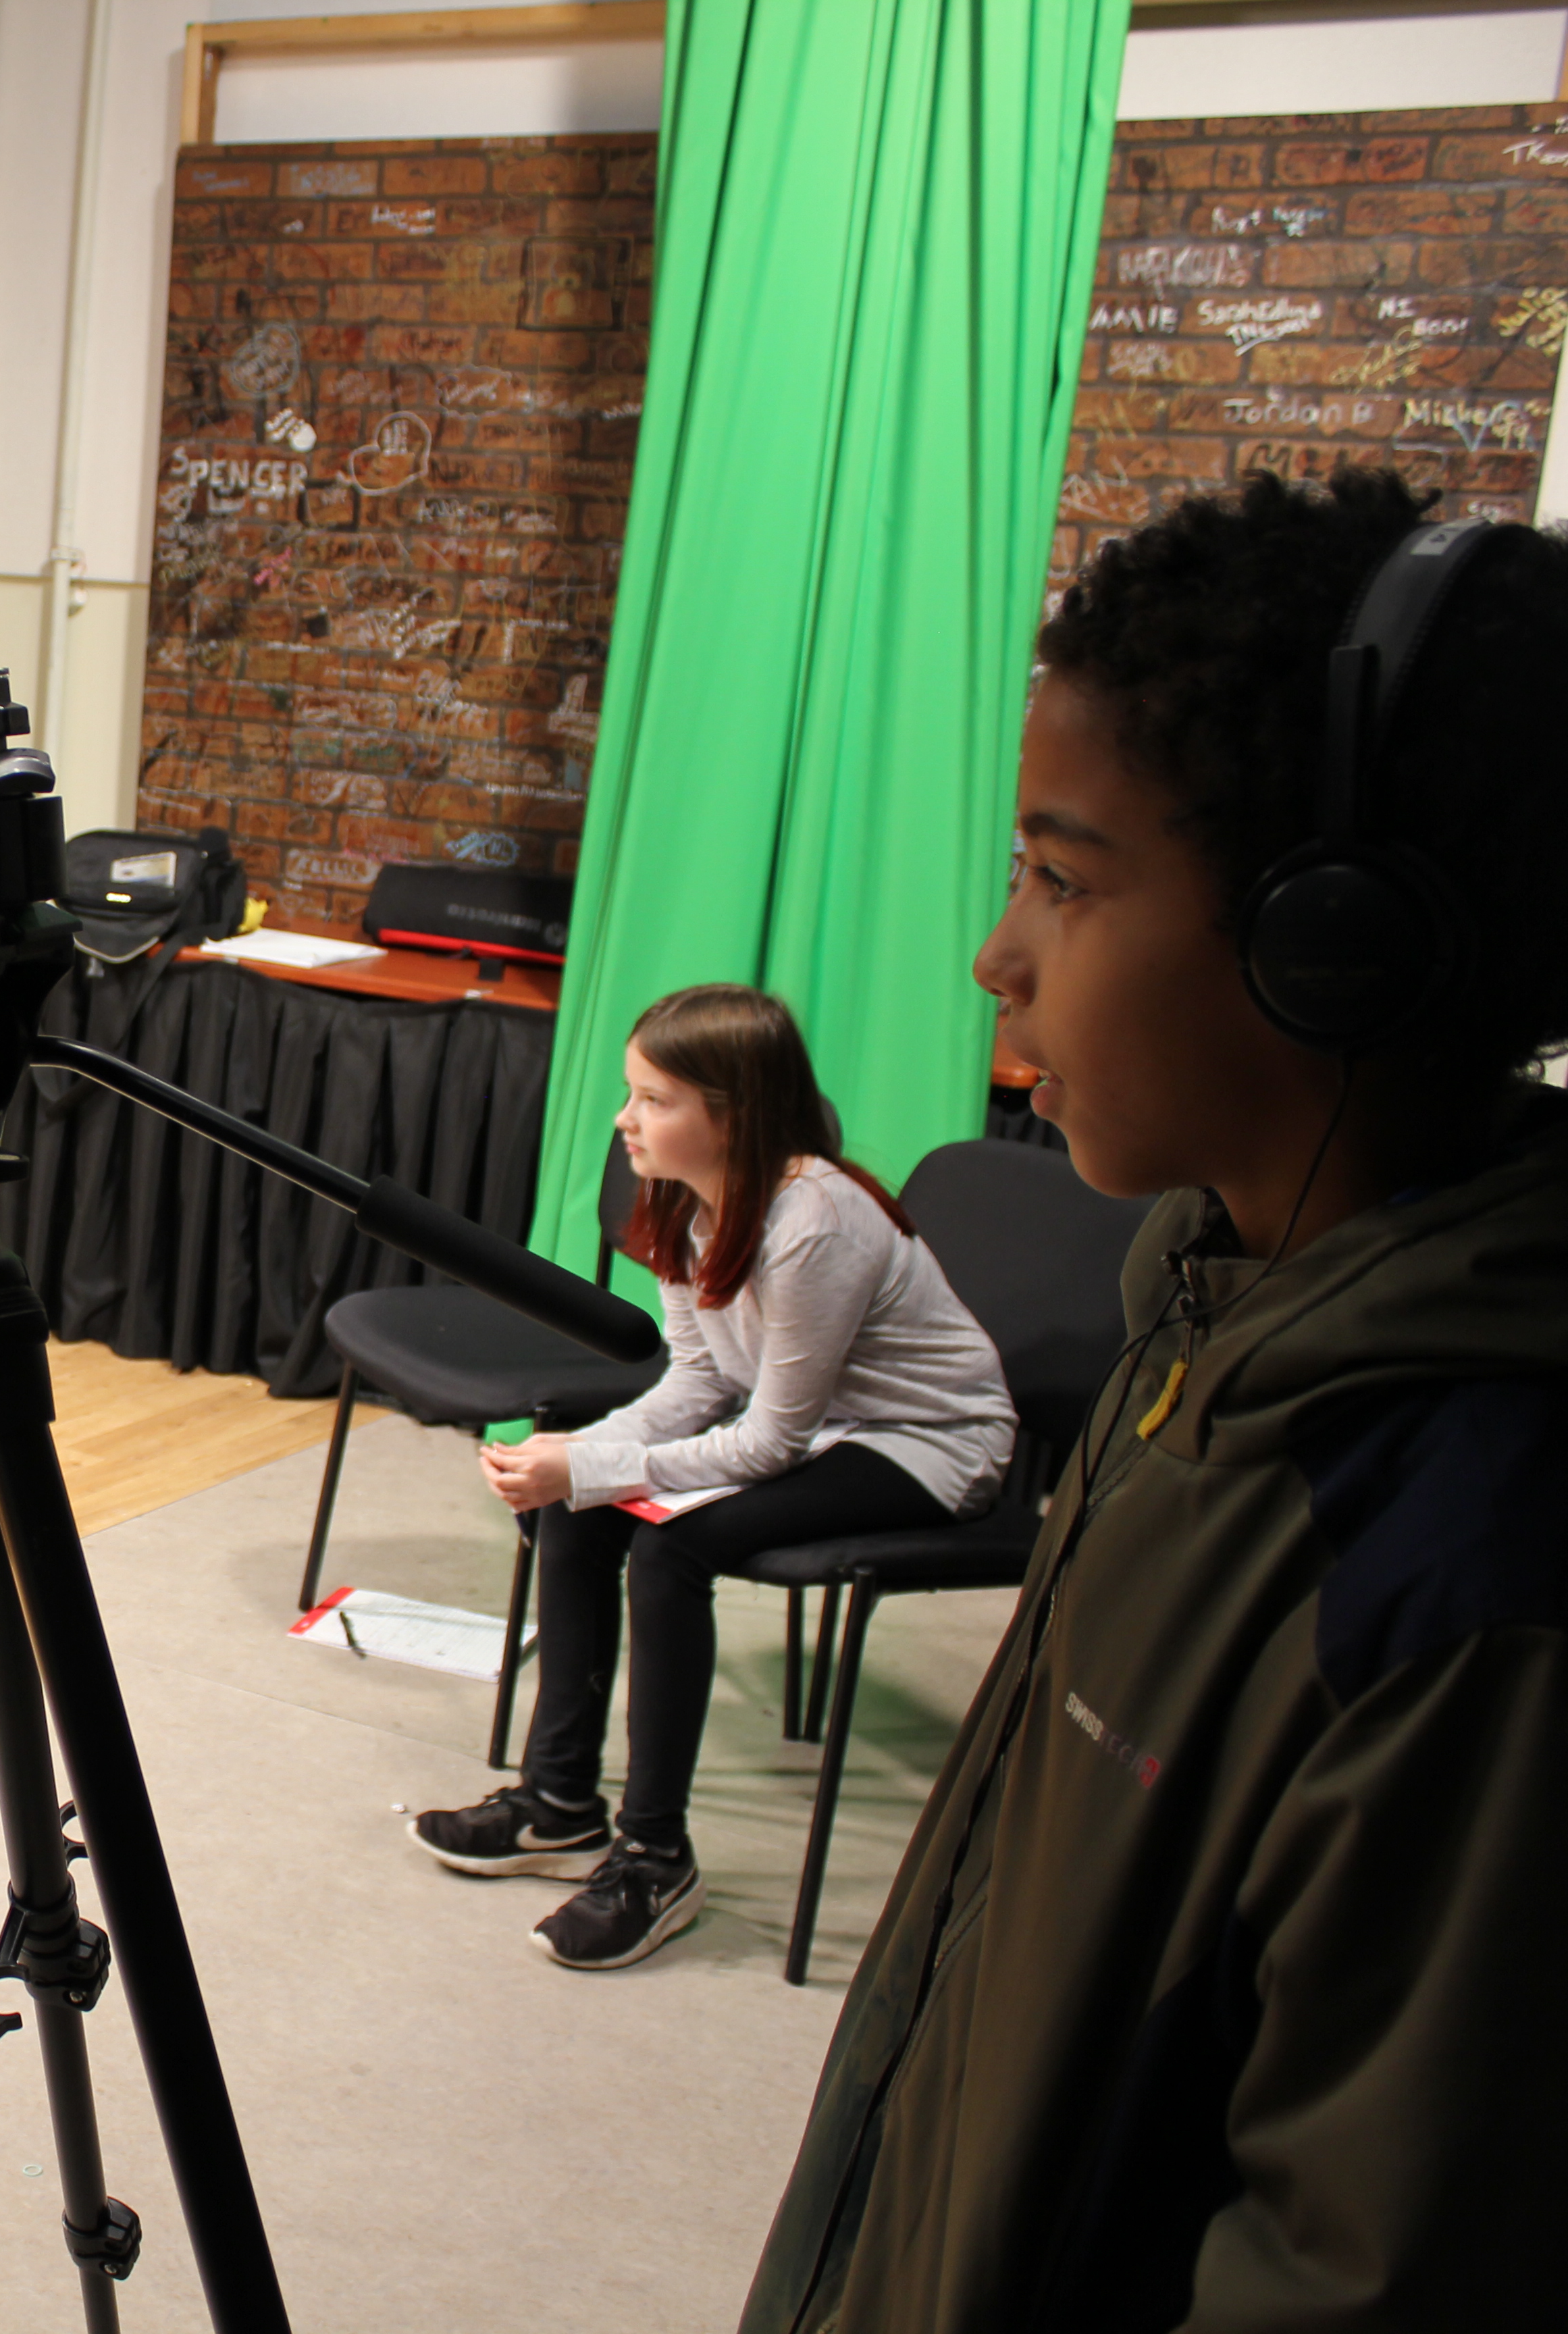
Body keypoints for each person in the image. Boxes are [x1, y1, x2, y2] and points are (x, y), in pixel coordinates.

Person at [744, 469, 1568, 2328]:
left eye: (1063, 878)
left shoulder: (1464, 1579)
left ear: (1326, 944)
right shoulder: (1201, 1334)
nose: (997, 953)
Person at [411, 983, 1015, 1969]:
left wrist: (589, 1462)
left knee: (671, 1550)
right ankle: (559, 1803)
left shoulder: (817, 1222)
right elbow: (698, 1381)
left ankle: (656, 1858)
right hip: (828, 1434)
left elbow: (769, 1441)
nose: (625, 1118)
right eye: (630, 1093)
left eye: (653, 1100)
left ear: (733, 1115)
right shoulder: (681, 1197)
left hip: (928, 1445)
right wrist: (576, 1462)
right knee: (580, 1512)